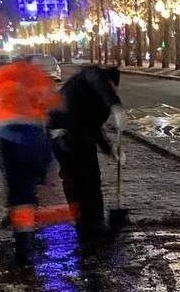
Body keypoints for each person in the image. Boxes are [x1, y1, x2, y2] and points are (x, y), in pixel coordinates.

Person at [0, 55, 69, 264]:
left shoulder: (0, 75)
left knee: (19, 193)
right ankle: (26, 225)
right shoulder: (37, 76)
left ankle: (24, 242)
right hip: (33, 138)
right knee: (29, 187)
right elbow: (53, 104)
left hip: (7, 139)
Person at [48, 65, 126, 236]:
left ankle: (95, 221)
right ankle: (82, 222)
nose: (112, 90)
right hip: (61, 131)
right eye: (111, 86)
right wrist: (115, 105)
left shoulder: (100, 101)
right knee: (74, 179)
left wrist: (110, 149)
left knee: (91, 177)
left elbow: (95, 127)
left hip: (81, 134)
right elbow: (93, 75)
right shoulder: (89, 77)